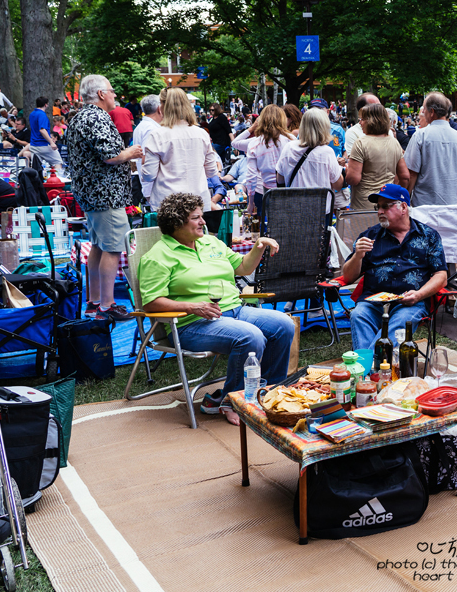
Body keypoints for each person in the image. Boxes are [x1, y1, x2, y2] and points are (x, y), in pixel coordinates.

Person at [139, 193, 295, 426]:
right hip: (190, 324)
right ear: (176, 223)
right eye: (196, 218)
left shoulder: (210, 242)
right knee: (249, 336)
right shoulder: (157, 256)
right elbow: (151, 302)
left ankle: (269, 393)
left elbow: (242, 268)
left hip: (234, 310)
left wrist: (259, 246)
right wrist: (192, 306)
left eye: (202, 216)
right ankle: (232, 401)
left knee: (283, 324)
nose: (203, 222)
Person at [65, 74, 143, 321]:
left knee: (98, 246)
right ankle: (106, 306)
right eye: (111, 90)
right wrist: (130, 152)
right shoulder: (97, 117)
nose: (114, 95)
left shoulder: (80, 117)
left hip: (93, 194)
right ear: (100, 94)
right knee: (113, 248)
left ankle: (94, 302)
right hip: (105, 194)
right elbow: (110, 155)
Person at [341, 184, 448, 350]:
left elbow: (441, 275)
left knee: (402, 320)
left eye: (385, 206)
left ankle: (367, 367)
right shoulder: (369, 236)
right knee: (358, 314)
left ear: (403, 207)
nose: (379, 212)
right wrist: (358, 256)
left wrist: (419, 295)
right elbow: (347, 277)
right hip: (373, 302)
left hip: (409, 302)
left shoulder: (428, 236)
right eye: (378, 207)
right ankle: (376, 369)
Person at [141, 88, 220, 212]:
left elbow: (149, 175)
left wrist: (143, 164)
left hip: (168, 202)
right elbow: (211, 171)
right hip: (197, 200)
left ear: (163, 106)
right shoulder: (201, 134)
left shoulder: (157, 135)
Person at [404, 92, 457, 206]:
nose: (423, 113)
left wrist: (405, 200)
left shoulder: (420, 136)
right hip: (451, 205)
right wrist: (452, 193)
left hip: (424, 206)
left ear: (432, 112)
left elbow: (411, 174)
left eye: (424, 110)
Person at [345, 103, 409, 209]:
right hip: (388, 204)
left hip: (364, 206)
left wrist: (347, 170)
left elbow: (353, 179)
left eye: (362, 119)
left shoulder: (361, 143)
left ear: (371, 121)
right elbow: (405, 177)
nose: (360, 123)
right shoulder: (394, 142)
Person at [242, 104, 295, 215]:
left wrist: (251, 202)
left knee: (272, 226)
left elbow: (251, 176)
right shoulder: (291, 140)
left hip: (268, 192)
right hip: (290, 190)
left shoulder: (254, 144)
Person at [275, 107, 345, 190]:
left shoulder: (289, 147)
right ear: (324, 128)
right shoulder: (327, 152)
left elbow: (280, 180)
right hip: (320, 202)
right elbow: (338, 185)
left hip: (294, 202)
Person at [28, 96, 64, 174]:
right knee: (57, 161)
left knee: (36, 166)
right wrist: (51, 142)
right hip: (43, 144)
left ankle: (36, 183)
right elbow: (42, 130)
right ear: (46, 104)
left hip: (34, 144)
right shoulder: (42, 115)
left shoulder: (32, 114)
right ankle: (58, 181)